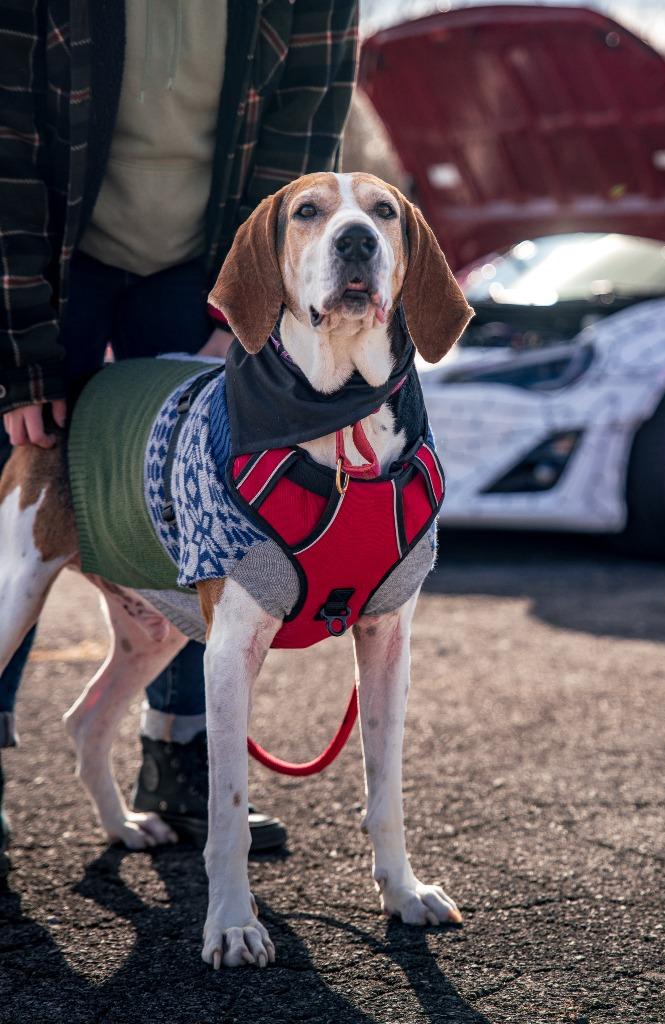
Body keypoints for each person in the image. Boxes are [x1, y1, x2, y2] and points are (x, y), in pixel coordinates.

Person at [0, 0, 358, 863]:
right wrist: (19, 352)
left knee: (204, 508)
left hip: (201, 259)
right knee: (22, 532)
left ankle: (180, 759)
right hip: (49, 249)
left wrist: (247, 309)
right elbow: (3, 141)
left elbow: (301, 152)